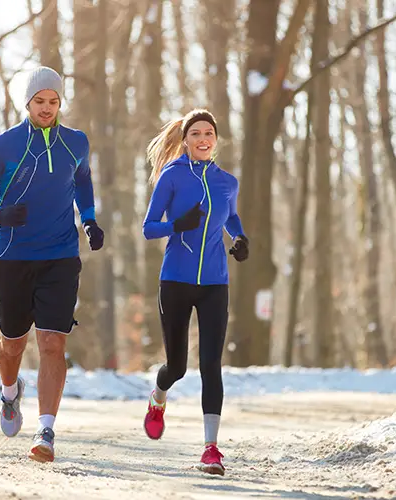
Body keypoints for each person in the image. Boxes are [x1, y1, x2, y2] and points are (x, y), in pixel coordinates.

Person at [0, 66, 104, 463]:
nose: (47, 108)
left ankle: (46, 431)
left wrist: (90, 219)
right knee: (13, 344)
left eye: (54, 101)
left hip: (60, 255)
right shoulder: (4, 145)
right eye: (40, 101)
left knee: (52, 341)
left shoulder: (76, 141)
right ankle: (10, 395)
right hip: (12, 256)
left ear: (61, 103)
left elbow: (82, 181)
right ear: (27, 103)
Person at [141, 109, 249, 476]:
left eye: (209, 133)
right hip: (176, 280)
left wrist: (240, 238)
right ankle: (158, 397)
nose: (203, 139)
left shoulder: (226, 182)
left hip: (215, 283)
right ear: (186, 140)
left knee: (211, 366)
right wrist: (176, 225)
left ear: (215, 139)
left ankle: (211, 448)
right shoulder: (172, 177)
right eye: (196, 133)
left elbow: (230, 216)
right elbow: (148, 228)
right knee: (178, 367)